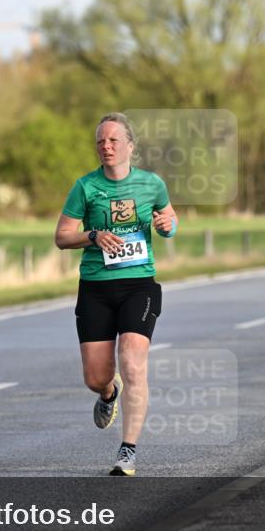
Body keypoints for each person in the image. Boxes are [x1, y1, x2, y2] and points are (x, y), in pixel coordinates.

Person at [54, 112, 177, 475]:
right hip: (95, 287)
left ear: (129, 146)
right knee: (96, 377)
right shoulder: (85, 187)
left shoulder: (151, 184)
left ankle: (128, 450)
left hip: (139, 284)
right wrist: (92, 235)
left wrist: (168, 225)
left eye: (113, 141)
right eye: (100, 142)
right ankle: (109, 394)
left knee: (133, 360)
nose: (106, 147)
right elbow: (62, 236)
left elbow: (169, 219)